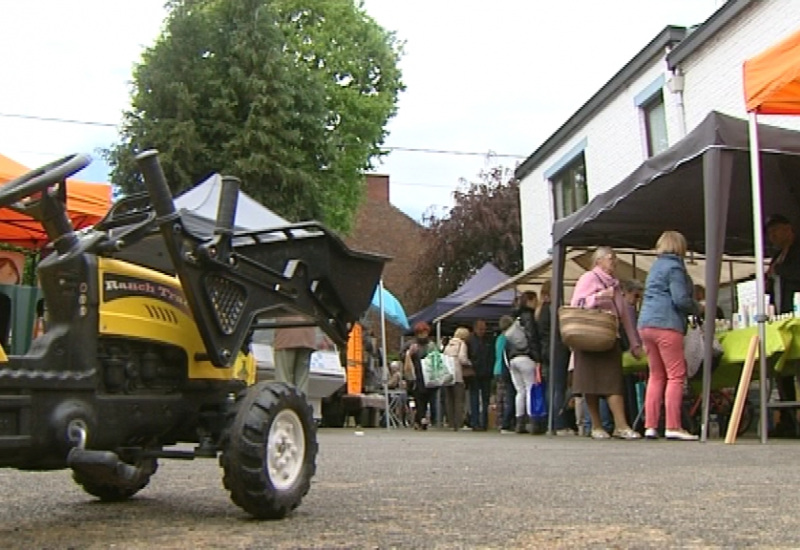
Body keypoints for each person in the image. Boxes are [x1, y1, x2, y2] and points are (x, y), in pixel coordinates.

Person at [570, 246, 643, 440]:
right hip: (588, 336)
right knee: (590, 383)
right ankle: (596, 426)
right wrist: (599, 297)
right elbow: (576, 304)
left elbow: (624, 316)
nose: (614, 262)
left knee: (613, 382)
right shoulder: (588, 278)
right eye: (611, 258)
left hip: (610, 338)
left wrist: (634, 343)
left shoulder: (616, 285)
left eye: (615, 259)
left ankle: (620, 425)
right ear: (598, 260)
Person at [638, 231, 699, 441]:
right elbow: (680, 299)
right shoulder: (675, 267)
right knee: (675, 375)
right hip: (666, 323)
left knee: (655, 376)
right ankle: (673, 426)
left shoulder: (655, 267)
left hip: (645, 324)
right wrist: (697, 308)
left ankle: (650, 426)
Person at [764, 214, 800, 436]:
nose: (773, 237)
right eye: (770, 233)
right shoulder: (777, 256)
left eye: (776, 231)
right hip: (780, 315)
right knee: (781, 370)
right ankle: (787, 420)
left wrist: (780, 272)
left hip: (796, 313)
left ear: (788, 230)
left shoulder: (796, 252)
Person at [537, 279, 574, 435]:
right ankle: (559, 424)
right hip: (557, 349)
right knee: (558, 388)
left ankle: (551, 423)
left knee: (551, 388)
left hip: (546, 351)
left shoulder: (540, 311)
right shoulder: (553, 310)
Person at [506, 291, 543, 434]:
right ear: (530, 300)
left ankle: (519, 423)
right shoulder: (529, 317)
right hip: (526, 357)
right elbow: (532, 337)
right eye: (535, 300)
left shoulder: (515, 317)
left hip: (513, 358)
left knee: (519, 391)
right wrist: (537, 357)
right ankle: (533, 422)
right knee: (530, 389)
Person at [404, 321, 438, 430]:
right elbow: (402, 356)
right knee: (419, 399)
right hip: (416, 376)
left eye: (424, 332)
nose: (423, 335)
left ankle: (424, 419)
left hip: (430, 375)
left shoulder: (432, 345)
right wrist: (409, 353)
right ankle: (420, 419)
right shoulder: (411, 344)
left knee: (429, 399)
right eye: (420, 333)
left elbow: (438, 358)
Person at [273, 318, 317, 396]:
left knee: (283, 381)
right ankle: (300, 406)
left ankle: (285, 406)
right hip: (307, 335)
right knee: (302, 383)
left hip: (285, 335)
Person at [467, 319, 494, 431]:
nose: (482, 331)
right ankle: (475, 422)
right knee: (474, 398)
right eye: (480, 329)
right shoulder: (470, 340)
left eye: (484, 329)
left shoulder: (489, 339)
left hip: (486, 372)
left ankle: (484, 422)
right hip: (474, 372)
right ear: (475, 328)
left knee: (485, 399)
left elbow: (491, 355)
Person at [443, 327, 470, 431]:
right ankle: (458, 423)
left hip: (447, 375)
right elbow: (462, 358)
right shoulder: (461, 344)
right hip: (457, 375)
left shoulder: (448, 345)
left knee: (449, 400)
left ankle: (450, 422)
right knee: (459, 400)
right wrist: (469, 363)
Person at [494, 315, 515, 433]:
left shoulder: (499, 338)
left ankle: (499, 421)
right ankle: (505, 422)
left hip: (497, 369)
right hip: (504, 368)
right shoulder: (508, 338)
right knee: (507, 396)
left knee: (499, 398)